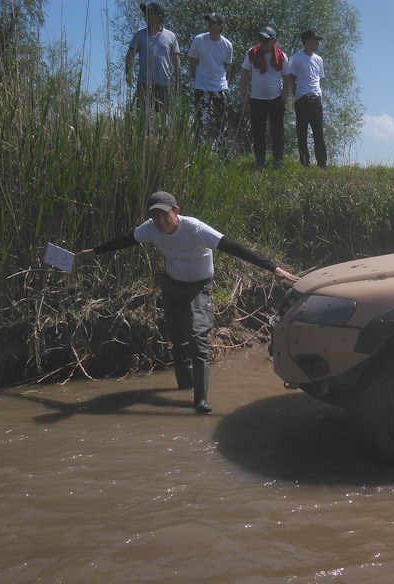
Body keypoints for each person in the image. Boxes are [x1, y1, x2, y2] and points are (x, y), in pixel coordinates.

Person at [75, 191, 299, 414]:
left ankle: (200, 400)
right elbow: (125, 241)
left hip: (199, 287)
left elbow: (233, 247)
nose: (161, 221)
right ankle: (185, 386)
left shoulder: (195, 229)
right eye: (155, 216)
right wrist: (94, 252)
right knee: (177, 338)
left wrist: (273, 268)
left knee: (197, 336)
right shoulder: (150, 229)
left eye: (165, 215)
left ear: (176, 211)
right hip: (172, 285)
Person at [241, 27, 290, 168]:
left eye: (266, 39)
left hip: (275, 98)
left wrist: (283, 98)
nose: (262, 42)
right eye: (261, 39)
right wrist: (243, 97)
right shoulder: (252, 53)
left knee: (277, 132)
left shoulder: (281, 56)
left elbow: (287, 79)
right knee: (258, 132)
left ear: (274, 40)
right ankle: (260, 161)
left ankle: (277, 160)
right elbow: (245, 75)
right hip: (257, 98)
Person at [125, 1, 180, 115]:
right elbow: (130, 54)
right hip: (144, 83)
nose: (146, 16)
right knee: (142, 117)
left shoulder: (171, 36)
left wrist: (178, 81)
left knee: (164, 119)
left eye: (150, 13)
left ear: (159, 16)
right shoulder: (139, 34)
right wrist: (128, 73)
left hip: (164, 84)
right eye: (145, 13)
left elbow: (176, 60)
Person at [188, 12, 233, 146]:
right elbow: (192, 62)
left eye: (213, 22)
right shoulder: (199, 40)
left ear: (221, 26)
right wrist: (197, 79)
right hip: (202, 85)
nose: (210, 24)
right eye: (208, 22)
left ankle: (224, 155)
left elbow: (225, 65)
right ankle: (199, 155)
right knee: (201, 122)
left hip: (220, 87)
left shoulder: (227, 45)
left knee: (222, 122)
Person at [288, 30, 327, 168]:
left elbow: (318, 78)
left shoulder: (319, 59)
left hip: (315, 98)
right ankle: (305, 162)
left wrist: (318, 94)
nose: (317, 43)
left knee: (319, 132)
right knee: (302, 132)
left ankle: (322, 163)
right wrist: (296, 94)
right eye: (315, 39)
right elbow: (290, 78)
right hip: (302, 99)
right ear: (307, 41)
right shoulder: (296, 59)